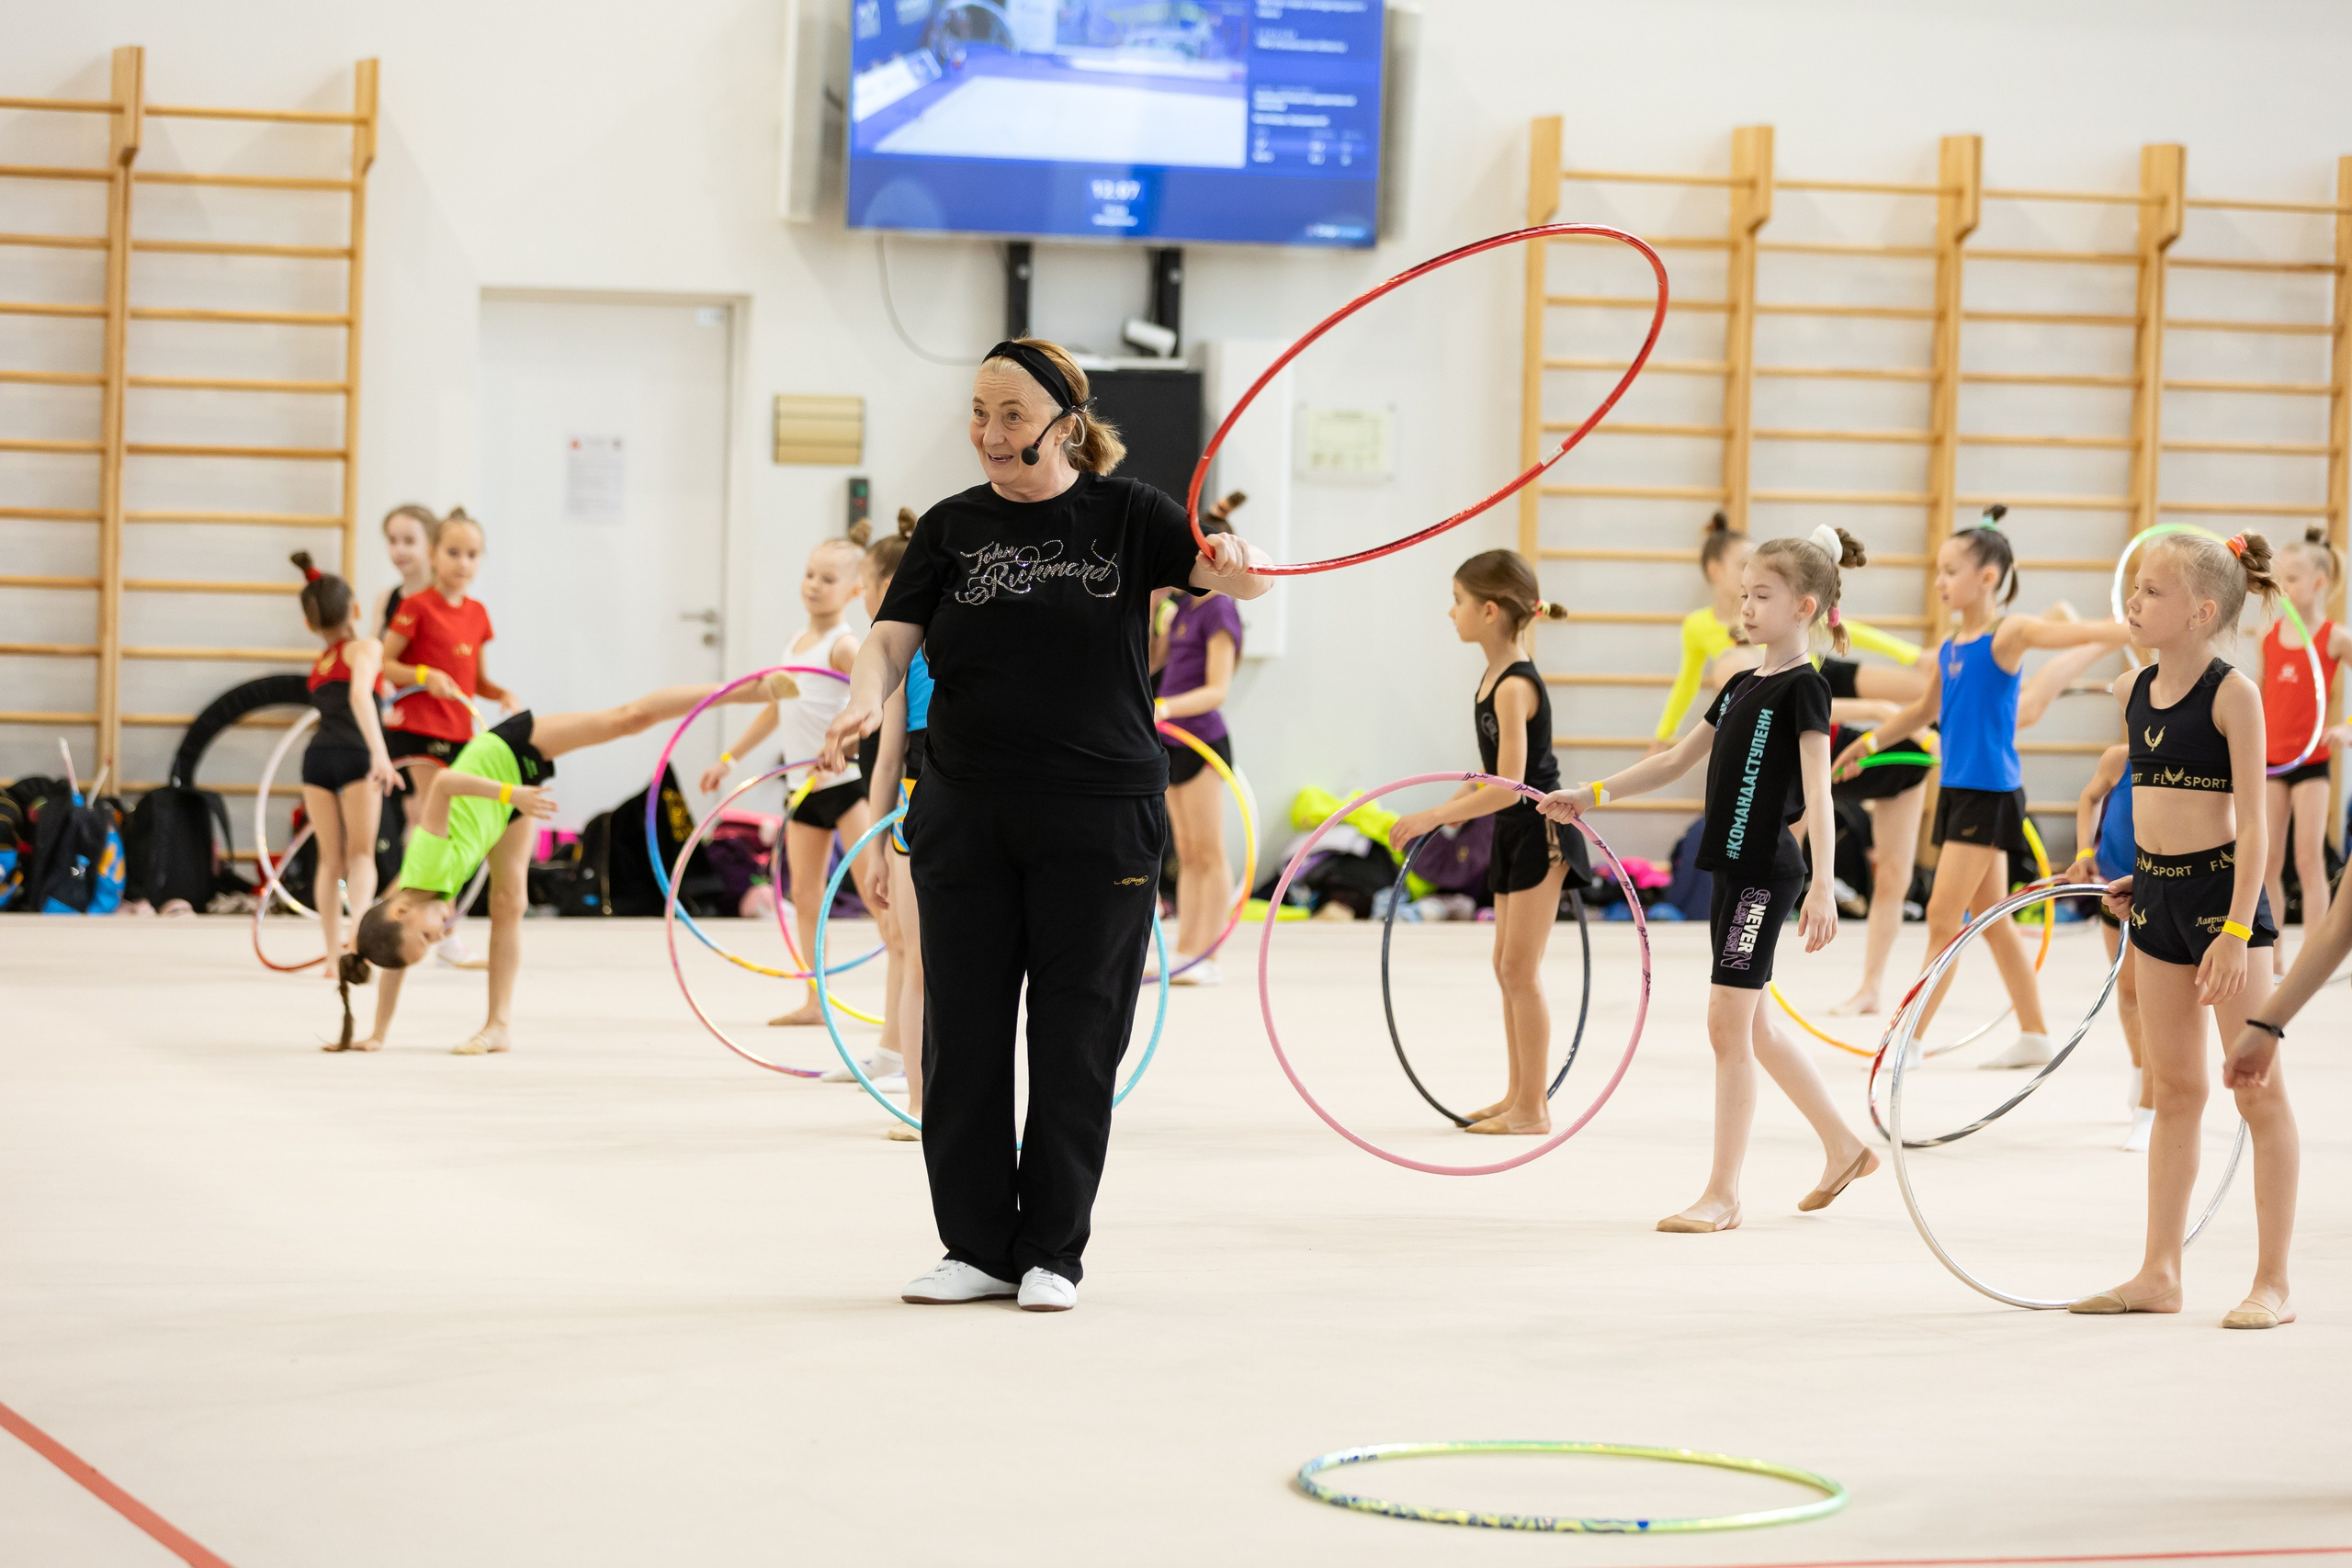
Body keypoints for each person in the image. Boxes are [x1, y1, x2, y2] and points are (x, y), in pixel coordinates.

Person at [819, 336, 1269, 1314]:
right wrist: (863, 695)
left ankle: (1051, 1254)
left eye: (1011, 415)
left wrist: (1234, 558)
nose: (987, 433)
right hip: (965, 814)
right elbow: (892, 637)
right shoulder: (949, 527)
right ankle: (973, 1246)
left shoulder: (1128, 515)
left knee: (1076, 1038)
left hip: (1099, 818)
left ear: (1065, 422)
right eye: (977, 414)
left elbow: (1237, 584)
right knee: (964, 1035)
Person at [1543, 525, 1880, 1232]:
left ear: (1806, 607)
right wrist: (1592, 794)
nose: (1748, 606)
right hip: (1729, 870)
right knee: (1754, 1026)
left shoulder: (1805, 689)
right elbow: (1673, 761)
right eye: (1745, 593)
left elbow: (1818, 789)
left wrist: (1822, 880)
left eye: (1764, 595)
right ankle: (1845, 1146)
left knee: (1726, 1025)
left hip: (1767, 874)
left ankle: (1723, 1193)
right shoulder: (1737, 685)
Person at [2074, 531, 2296, 1329]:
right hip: (2159, 899)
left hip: (2225, 904)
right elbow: (2160, 806)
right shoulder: (2134, 691)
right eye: (2135, 589)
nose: (2134, 603)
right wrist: (2145, 869)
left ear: (2202, 611)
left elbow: (2255, 828)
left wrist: (2237, 927)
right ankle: (2159, 1270)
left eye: (2152, 592)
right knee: (2175, 1091)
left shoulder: (2234, 695)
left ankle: (2272, 1280)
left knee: (2256, 1091)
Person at [346, 674, 800, 1054]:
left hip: (504, 759)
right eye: (432, 940)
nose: (440, 933)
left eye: (428, 934)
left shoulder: (424, 865)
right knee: (509, 905)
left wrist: (511, 793)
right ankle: (498, 1025)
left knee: (628, 720)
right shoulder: (413, 904)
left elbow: (444, 782)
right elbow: (395, 958)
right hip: (504, 809)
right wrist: (377, 1035)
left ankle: (752, 690)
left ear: (402, 910)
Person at [1833, 515, 2132, 1067]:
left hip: (1988, 795)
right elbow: (1925, 711)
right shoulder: (1951, 645)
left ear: (1988, 577)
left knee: (1944, 920)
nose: (1940, 582)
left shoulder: (2010, 633)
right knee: (1992, 918)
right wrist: (1868, 743)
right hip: (1958, 793)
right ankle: (2036, 1034)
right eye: (1938, 571)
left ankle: (1912, 1042)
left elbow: (2080, 633)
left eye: (1951, 571)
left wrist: (2145, 627)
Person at [1385, 550, 1589, 1134]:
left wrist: (1433, 817)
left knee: (1520, 969)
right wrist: (1449, 808)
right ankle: (1517, 1093)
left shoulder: (1514, 685)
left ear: (1491, 610)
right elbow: (1491, 777)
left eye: (1459, 601)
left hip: (1541, 832)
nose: (1451, 613)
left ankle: (1533, 1109)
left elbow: (1510, 787)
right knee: (1506, 967)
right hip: (1513, 831)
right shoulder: (1494, 676)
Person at [701, 530, 874, 1029]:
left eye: (829, 579)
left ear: (855, 591)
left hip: (845, 785)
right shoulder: (796, 644)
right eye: (810, 575)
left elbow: (876, 705)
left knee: (874, 894)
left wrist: (846, 745)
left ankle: (908, 990)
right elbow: (779, 710)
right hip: (804, 790)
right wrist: (729, 757)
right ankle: (814, 1001)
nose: (815, 586)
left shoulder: (844, 647)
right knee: (805, 897)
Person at [1653, 511, 1922, 755]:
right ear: (1715, 570)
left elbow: (1838, 625)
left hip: (1820, 670)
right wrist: (1662, 738)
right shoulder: (1701, 626)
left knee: (1925, 689)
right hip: (1794, 691)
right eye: (1743, 563)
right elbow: (1686, 685)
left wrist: (1911, 654)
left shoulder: (1778, 607)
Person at [380, 507, 515, 968]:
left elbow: (474, 681)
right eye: (454, 552)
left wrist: (503, 694)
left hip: (460, 731)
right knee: (428, 818)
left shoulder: (477, 613)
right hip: (419, 728)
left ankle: (428, 918)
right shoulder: (416, 606)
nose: (463, 563)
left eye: (472, 554)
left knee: (452, 830)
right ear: (435, 555)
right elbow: (383, 664)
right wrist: (422, 673)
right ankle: (414, 918)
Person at [834, 508, 929, 1137]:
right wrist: (874, 847)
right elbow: (889, 752)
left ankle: (925, 1094)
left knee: (928, 956)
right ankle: (922, 1102)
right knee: (917, 953)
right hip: (918, 802)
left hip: (959, 793)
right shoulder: (893, 648)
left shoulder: (942, 636)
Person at [288, 551, 399, 1025]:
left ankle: (332, 956)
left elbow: (349, 700)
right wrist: (380, 752)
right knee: (361, 857)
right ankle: (358, 945)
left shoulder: (322, 658)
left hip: (317, 760)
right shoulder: (366, 647)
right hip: (355, 757)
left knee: (329, 860)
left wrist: (382, 710)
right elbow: (358, 696)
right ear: (355, 609)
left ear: (310, 623)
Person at [1153, 495, 1249, 984]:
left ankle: (1208, 952)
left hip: (1202, 741)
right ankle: (1187, 947)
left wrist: (1165, 708)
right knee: (1186, 851)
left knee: (1209, 852)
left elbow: (1217, 690)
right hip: (1170, 741)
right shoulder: (1183, 606)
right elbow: (1154, 664)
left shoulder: (1221, 611)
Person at [2258, 527, 2351, 976]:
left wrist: (2348, 728)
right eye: (2282, 578)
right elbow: (2260, 693)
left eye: (2293, 578)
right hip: (2272, 761)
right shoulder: (2271, 635)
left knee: (2307, 859)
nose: (2286, 587)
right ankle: (2272, 955)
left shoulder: (2335, 637)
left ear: (2318, 582)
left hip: (2312, 764)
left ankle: (2314, 958)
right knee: (2269, 860)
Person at [2063, 743, 2154, 1152]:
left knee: (2157, 1004)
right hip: (2114, 889)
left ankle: (2151, 1109)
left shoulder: (2188, 758)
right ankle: (2139, 1068)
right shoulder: (2120, 758)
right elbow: (2089, 796)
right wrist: (2085, 851)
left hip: (2161, 889)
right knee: (2129, 993)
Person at [377, 502, 438, 634]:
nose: (399, 550)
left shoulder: (445, 597)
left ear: (432, 545)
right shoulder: (386, 598)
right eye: (392, 540)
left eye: (409, 541)